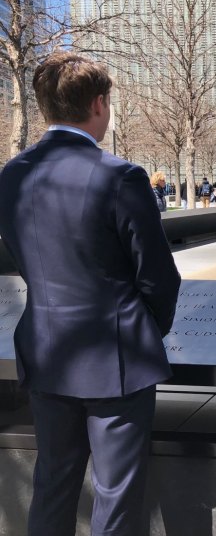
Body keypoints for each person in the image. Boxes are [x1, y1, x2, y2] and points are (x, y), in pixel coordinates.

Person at [0, 52, 181, 536]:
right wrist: (143, 331)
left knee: (53, 485)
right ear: (99, 104)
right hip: (116, 359)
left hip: (45, 351)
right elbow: (159, 278)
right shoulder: (120, 176)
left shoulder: (11, 176)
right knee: (116, 497)